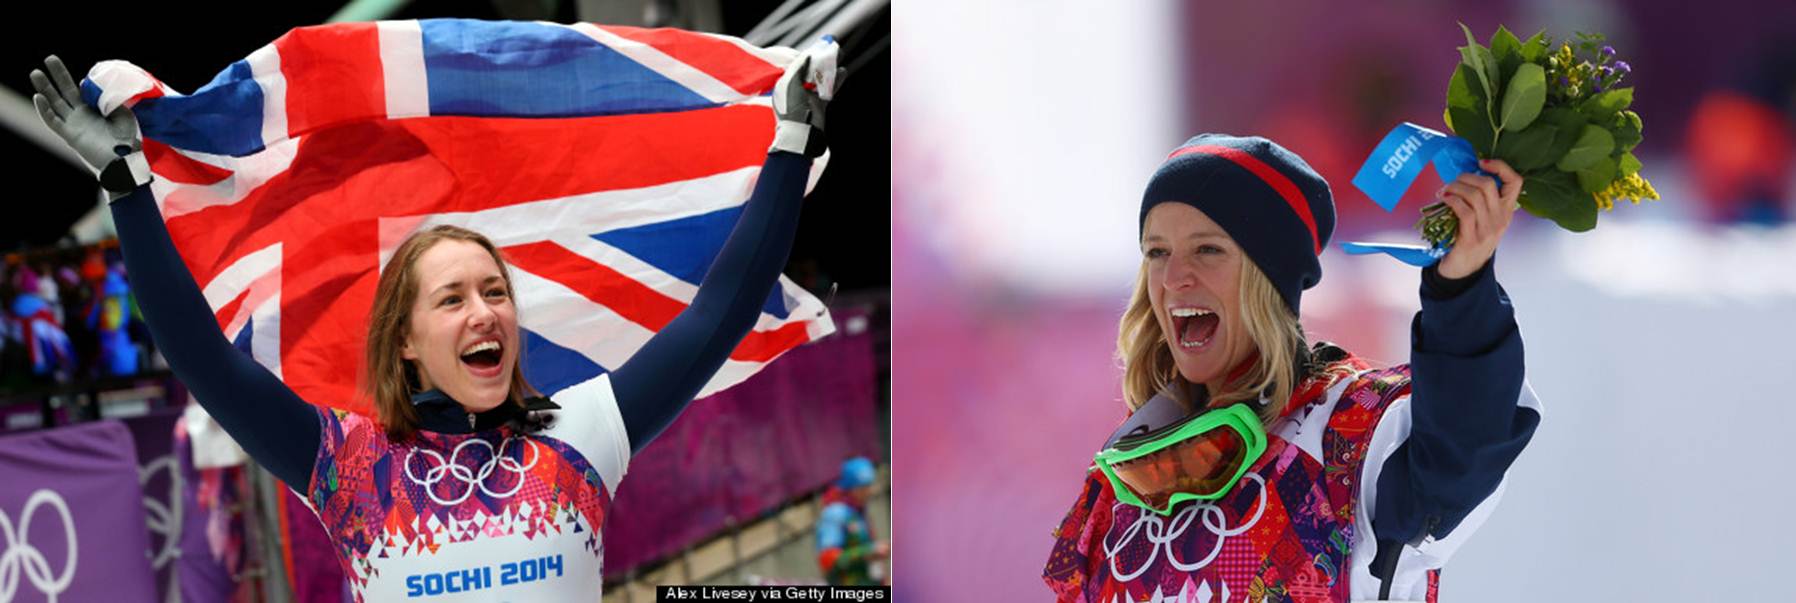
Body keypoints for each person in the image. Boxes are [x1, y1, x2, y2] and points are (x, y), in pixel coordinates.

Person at [31, 44, 837, 601]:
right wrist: (127, 188)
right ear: (406, 342)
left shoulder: (585, 429)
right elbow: (205, 359)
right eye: (452, 298)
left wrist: (792, 142)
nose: (485, 310)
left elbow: (716, 314)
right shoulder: (344, 463)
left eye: (495, 291)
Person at [1042, 135, 1542, 602]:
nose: (1173, 277)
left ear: (1269, 275)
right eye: (1157, 252)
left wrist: (1460, 288)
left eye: (1208, 249)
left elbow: (1466, 442)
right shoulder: (1124, 477)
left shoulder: (1350, 433)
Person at [815, 456, 888, 586]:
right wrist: (868, 552)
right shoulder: (835, 514)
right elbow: (827, 559)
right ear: (850, 488)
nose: (869, 492)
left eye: (869, 486)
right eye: (863, 488)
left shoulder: (857, 511)